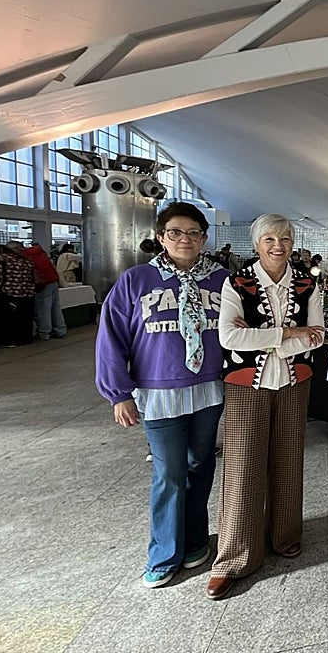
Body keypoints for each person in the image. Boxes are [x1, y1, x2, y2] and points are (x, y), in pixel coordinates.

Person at [94, 202, 230, 588]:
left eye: (193, 233)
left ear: (204, 238)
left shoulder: (220, 279)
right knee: (169, 472)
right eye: (175, 232)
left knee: (200, 466)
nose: (184, 239)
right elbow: (111, 339)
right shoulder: (135, 281)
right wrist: (118, 393)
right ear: (161, 237)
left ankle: (194, 541)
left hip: (207, 390)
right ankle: (163, 553)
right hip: (158, 393)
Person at [206, 214, 325, 601]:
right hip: (245, 385)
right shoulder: (235, 282)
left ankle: (285, 535)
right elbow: (228, 336)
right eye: (270, 238)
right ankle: (235, 557)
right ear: (256, 243)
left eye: (286, 238)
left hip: (294, 381)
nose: (278, 245)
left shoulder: (308, 283)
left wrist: (263, 339)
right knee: (242, 465)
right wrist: (289, 333)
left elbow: (318, 336)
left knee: (288, 459)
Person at [0, 244, 35, 347]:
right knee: (25, 318)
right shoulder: (25, 260)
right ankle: (26, 339)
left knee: (6, 320)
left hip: (9, 293)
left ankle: (8, 341)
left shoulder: (2, 261)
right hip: (27, 293)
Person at [23, 242, 68, 340]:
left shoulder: (26, 256)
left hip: (43, 284)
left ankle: (44, 332)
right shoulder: (40, 253)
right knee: (55, 308)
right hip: (53, 281)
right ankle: (60, 330)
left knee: (43, 309)